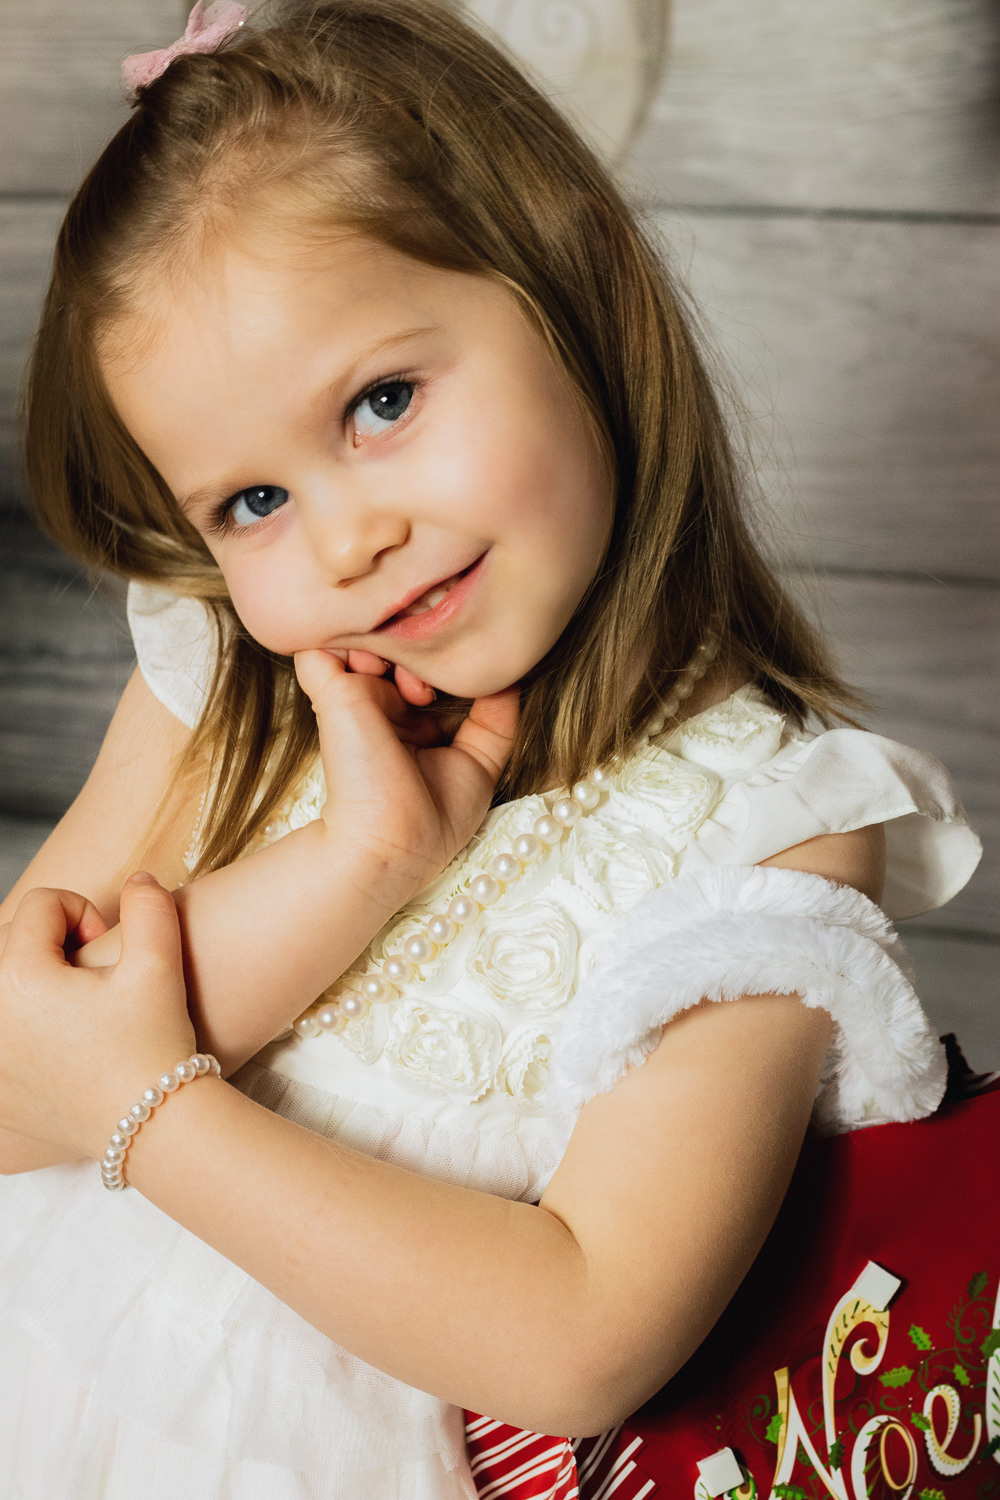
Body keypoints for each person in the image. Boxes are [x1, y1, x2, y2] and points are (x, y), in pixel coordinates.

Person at [0, 0, 983, 1494]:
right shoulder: (232, 682)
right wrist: (365, 858)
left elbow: (585, 1334)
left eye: (382, 403)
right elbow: (14, 1088)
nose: (344, 538)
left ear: (580, 276)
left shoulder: (772, 822)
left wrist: (160, 1118)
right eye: (248, 503)